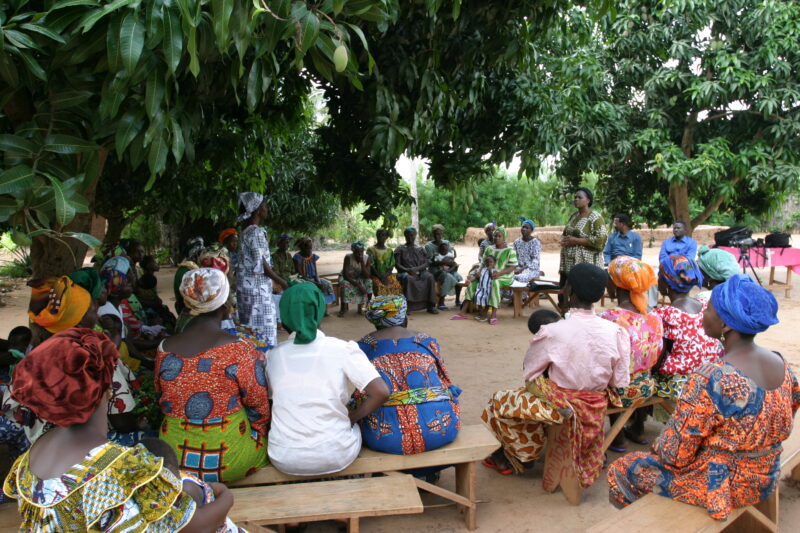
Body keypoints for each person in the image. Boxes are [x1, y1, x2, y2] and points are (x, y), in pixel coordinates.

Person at [608, 274, 799, 520]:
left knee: (623, 468)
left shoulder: (712, 377)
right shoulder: (783, 364)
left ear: (727, 325)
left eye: (708, 309)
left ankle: (667, 522)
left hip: (722, 488)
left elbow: (675, 454)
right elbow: (784, 418)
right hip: (764, 478)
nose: (702, 314)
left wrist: (661, 445)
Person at [2, 328, 233, 532]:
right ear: (109, 389)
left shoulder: (32, 456)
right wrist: (224, 495)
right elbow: (198, 525)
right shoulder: (120, 469)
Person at [481, 263, 630, 482]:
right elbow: (619, 381)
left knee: (500, 401)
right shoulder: (616, 331)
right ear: (600, 296)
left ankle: (523, 455)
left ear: (569, 292)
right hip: (596, 403)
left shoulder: (552, 332)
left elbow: (531, 373)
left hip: (561, 405)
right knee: (532, 398)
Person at [156, 268, 269, 483]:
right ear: (226, 306)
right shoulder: (240, 349)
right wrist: (257, 434)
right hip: (230, 458)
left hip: (175, 459)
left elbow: (161, 397)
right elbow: (259, 407)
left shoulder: (164, 347)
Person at [266, 283, 389, 475]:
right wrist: (352, 418)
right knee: (358, 424)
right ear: (321, 311)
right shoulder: (342, 349)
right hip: (336, 454)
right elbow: (381, 392)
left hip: (284, 456)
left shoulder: (272, 356)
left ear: (283, 318)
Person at [356, 295, 461, 454]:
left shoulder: (362, 347)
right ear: (404, 317)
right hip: (441, 430)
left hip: (384, 437)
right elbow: (445, 381)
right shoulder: (426, 341)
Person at [601, 256, 664, 451]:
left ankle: (618, 437)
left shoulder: (609, 318)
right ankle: (638, 428)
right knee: (637, 369)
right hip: (647, 387)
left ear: (615, 285)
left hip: (620, 393)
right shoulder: (654, 316)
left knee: (610, 376)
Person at [652, 255, 721, 400]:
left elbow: (658, 356)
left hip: (679, 384)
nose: (657, 280)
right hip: (708, 376)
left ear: (667, 282)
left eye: (659, 275)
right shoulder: (705, 305)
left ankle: (638, 421)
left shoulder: (665, 315)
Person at [142, 438, 245, 533]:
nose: (158, 486)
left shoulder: (186, 490)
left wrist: (225, 494)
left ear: (175, 469)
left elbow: (203, 528)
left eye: (163, 479)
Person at [235, 192, 288, 348]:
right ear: (258, 210)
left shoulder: (244, 232)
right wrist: (282, 282)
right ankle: (264, 360)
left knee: (249, 330)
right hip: (257, 291)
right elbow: (262, 264)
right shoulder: (257, 232)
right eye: (265, 206)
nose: (267, 209)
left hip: (245, 290)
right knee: (264, 331)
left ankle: (251, 362)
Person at [453, 228, 517, 325]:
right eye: (495, 236)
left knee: (494, 283)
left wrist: (499, 273)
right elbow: (482, 263)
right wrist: (478, 272)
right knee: (473, 283)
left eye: (499, 236)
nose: (497, 238)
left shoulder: (510, 250)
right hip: (487, 273)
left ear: (504, 238)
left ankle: (493, 315)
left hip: (504, 275)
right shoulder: (489, 249)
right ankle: (463, 312)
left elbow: (512, 267)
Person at [559, 187, 608, 306]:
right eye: (575, 197)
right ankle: (565, 315)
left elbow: (601, 239)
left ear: (588, 200)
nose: (576, 199)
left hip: (585, 263)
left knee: (580, 297)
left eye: (580, 197)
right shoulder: (574, 216)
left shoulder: (595, 217)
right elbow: (566, 233)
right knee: (564, 295)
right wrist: (565, 240)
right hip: (569, 263)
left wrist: (576, 241)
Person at [394, 227, 438, 314]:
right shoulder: (400, 249)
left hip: (420, 271)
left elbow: (426, 263)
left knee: (429, 277)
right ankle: (408, 306)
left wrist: (416, 269)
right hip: (405, 272)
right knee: (408, 278)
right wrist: (408, 270)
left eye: (412, 235)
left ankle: (430, 305)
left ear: (415, 236)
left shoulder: (420, 249)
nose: (410, 237)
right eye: (408, 235)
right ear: (405, 236)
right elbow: (397, 264)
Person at [425, 224, 462, 310]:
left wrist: (450, 264)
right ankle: (441, 302)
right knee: (448, 277)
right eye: (436, 234)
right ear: (433, 234)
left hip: (448, 268)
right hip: (435, 270)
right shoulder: (428, 246)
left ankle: (457, 300)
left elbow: (450, 258)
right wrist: (442, 262)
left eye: (440, 234)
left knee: (458, 277)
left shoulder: (447, 243)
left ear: (443, 234)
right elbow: (429, 262)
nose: (438, 236)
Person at [293, 236, 337, 305]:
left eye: (311, 248)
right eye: (309, 248)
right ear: (303, 249)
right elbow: (301, 276)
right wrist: (316, 284)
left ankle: (324, 306)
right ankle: (316, 306)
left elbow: (316, 272)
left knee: (327, 284)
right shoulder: (297, 257)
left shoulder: (313, 257)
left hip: (313, 279)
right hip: (302, 280)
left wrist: (318, 280)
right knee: (313, 287)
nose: (311, 250)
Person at [338, 241, 374, 316]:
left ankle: (368, 306)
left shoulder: (366, 258)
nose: (360, 254)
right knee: (344, 284)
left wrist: (362, 263)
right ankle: (343, 308)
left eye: (361, 251)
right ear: (353, 251)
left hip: (360, 277)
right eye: (357, 252)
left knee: (369, 282)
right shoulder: (348, 257)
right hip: (349, 278)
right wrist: (358, 285)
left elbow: (367, 275)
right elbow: (345, 275)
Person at [367, 228, 403, 296]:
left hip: (387, 275)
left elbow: (391, 266)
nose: (381, 237)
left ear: (386, 237)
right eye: (379, 235)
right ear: (376, 236)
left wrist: (385, 276)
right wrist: (380, 277)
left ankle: (392, 305)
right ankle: (380, 305)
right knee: (380, 287)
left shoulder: (389, 250)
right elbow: (371, 266)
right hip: (375, 275)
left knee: (396, 286)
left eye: (383, 235)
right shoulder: (371, 250)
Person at [513, 217, 542, 285]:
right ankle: (513, 295)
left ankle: (523, 295)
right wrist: (514, 268)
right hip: (518, 268)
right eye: (523, 227)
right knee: (507, 277)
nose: (524, 229)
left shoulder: (535, 242)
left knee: (520, 278)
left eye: (527, 228)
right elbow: (513, 257)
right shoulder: (517, 242)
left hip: (531, 269)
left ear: (531, 230)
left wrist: (522, 269)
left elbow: (535, 260)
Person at [470, 254, 498, 323]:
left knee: (487, 302)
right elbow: (477, 277)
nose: (489, 263)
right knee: (477, 297)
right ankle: (481, 312)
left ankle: (484, 314)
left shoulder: (495, 270)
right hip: (480, 288)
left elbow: (493, 277)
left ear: (494, 263)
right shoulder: (482, 270)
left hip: (488, 289)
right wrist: (470, 280)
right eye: (487, 262)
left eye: (491, 262)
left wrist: (490, 270)